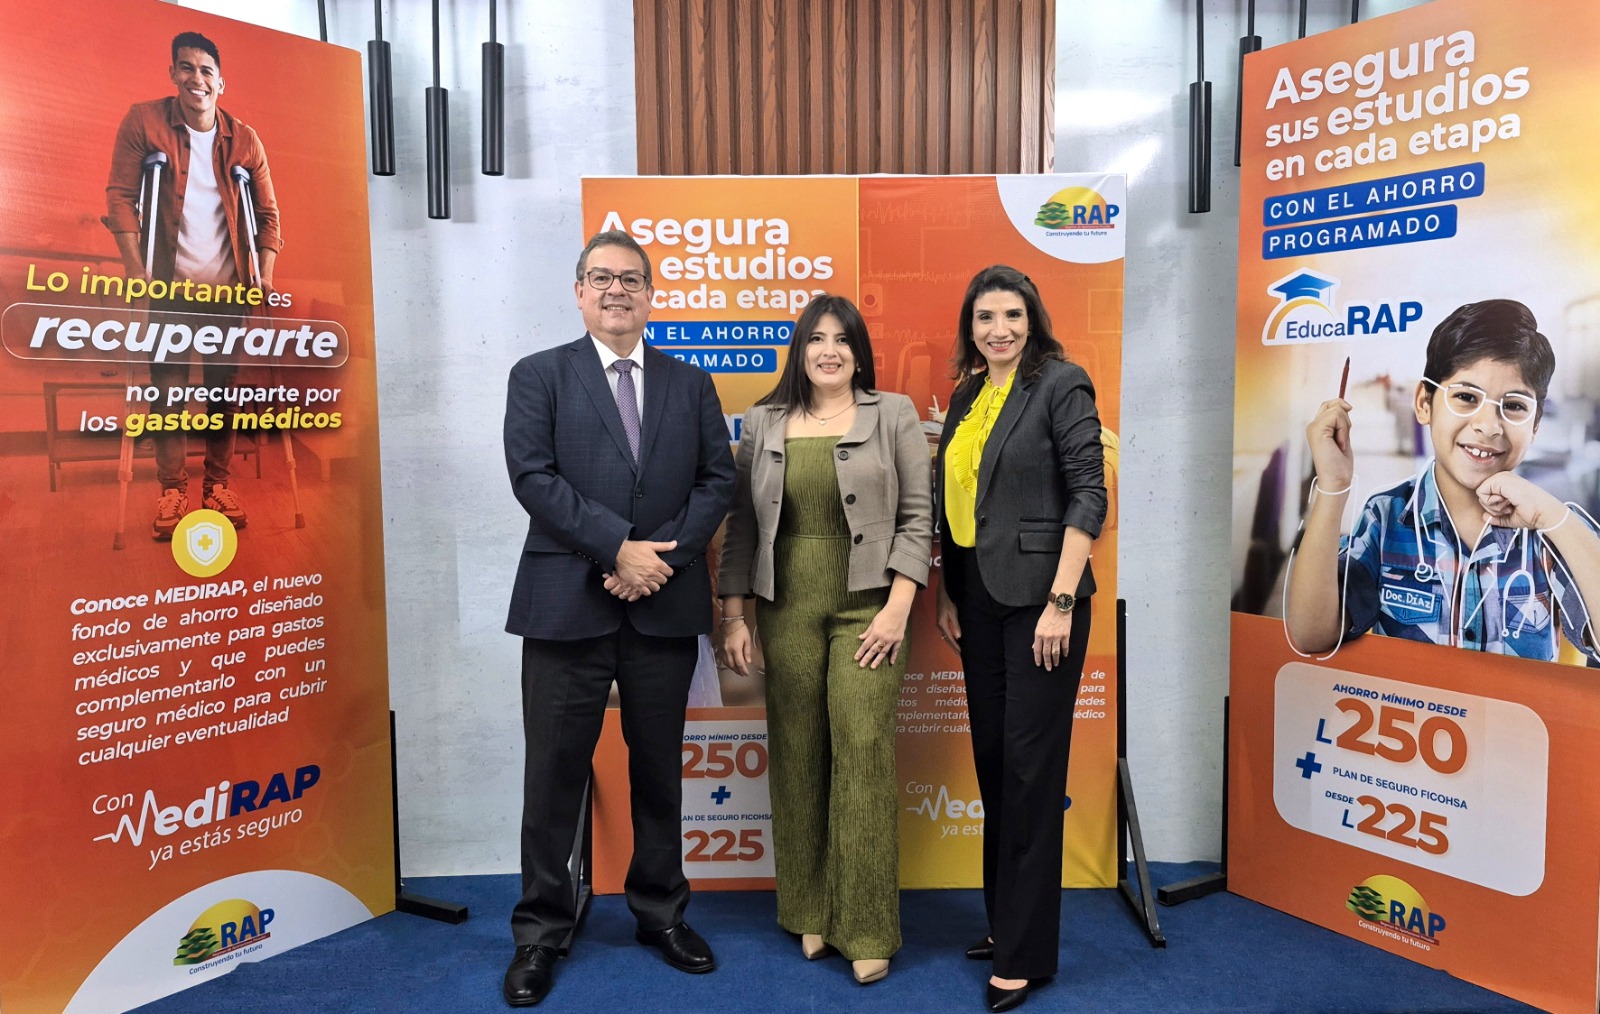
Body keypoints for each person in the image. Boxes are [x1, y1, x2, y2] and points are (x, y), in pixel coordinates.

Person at [501, 230, 735, 1006]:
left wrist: (656, 560)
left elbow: (716, 481)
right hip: (565, 606)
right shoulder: (539, 375)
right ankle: (541, 931)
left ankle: (661, 913)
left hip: (663, 605)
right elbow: (533, 477)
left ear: (651, 295)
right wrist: (617, 548)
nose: (616, 291)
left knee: (659, 771)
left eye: (631, 279)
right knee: (552, 776)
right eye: (600, 278)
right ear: (578, 292)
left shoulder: (690, 383)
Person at [718, 294, 932, 985]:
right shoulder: (763, 421)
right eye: (816, 339)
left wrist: (898, 608)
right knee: (798, 754)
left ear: (859, 353)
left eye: (842, 339)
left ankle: (865, 925)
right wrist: (734, 615)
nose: (829, 350)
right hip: (785, 609)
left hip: (870, 610)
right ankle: (809, 908)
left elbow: (918, 517)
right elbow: (742, 526)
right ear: (801, 351)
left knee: (862, 750)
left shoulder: (893, 413)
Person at [932, 265, 1107, 1013]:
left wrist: (1061, 602)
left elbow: (1089, 493)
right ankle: (1005, 922)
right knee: (996, 763)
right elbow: (958, 502)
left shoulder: (1062, 383)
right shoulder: (968, 394)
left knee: (1033, 773)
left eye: (1011, 315)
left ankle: (1025, 955)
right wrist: (948, 590)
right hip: (977, 598)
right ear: (970, 328)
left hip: (1043, 602)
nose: (998, 329)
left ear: (1032, 319)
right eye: (984, 317)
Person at [1287, 299, 1600, 662]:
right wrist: (1333, 484)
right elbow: (1311, 635)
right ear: (1424, 403)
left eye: (1514, 406)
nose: (1488, 426)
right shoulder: (1385, 517)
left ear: (1535, 425)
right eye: (1466, 397)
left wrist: (1554, 518)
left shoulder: (1554, 530)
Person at [105, 31, 281, 538]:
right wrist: (136, 270)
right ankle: (172, 489)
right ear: (172, 74)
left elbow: (268, 216)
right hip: (169, 289)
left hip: (228, 293)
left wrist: (264, 277)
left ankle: (217, 486)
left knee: (222, 394)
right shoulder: (144, 121)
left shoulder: (244, 140)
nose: (195, 78)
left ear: (221, 83)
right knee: (168, 392)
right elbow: (120, 196)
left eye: (206, 71)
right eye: (186, 68)